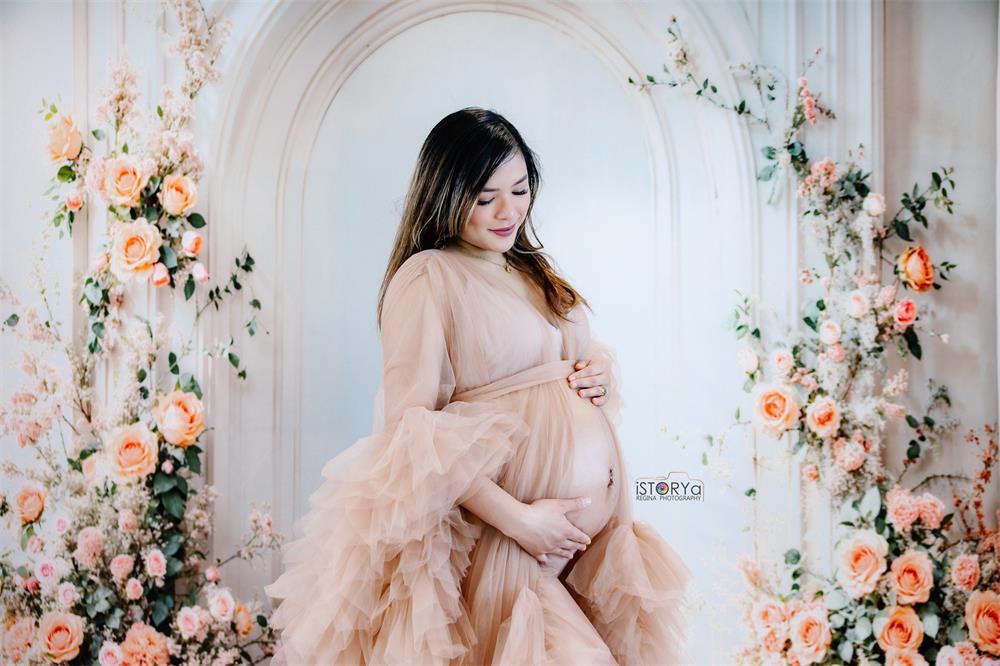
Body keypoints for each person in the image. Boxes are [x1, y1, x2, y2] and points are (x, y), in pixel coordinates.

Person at [264, 107, 691, 665]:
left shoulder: (529, 267)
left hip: (590, 550)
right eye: (486, 198)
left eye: (519, 189)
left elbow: (558, 366)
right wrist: (523, 522)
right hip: (507, 543)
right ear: (446, 195)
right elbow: (409, 428)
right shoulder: (429, 276)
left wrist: (599, 377)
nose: (508, 211)